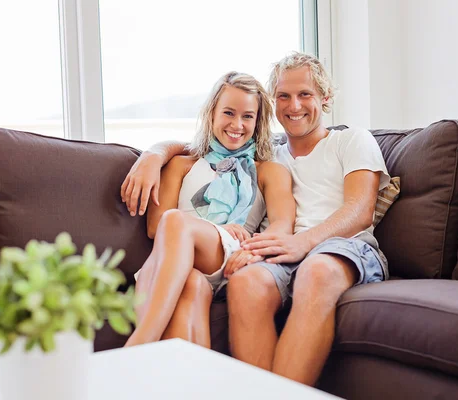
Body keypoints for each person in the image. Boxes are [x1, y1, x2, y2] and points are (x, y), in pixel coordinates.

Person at [121, 53, 390, 386]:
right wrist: (154, 153)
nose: (294, 105)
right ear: (273, 104)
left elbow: (360, 209)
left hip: (339, 247)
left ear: (326, 98)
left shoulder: (351, 140)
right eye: (284, 96)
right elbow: (196, 149)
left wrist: (296, 243)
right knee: (245, 283)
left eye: (305, 94)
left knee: (316, 270)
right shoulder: (267, 154)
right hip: (277, 254)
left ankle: (138, 353)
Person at [124, 71, 295, 348]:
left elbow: (283, 225)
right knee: (190, 285)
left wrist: (251, 250)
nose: (237, 124)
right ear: (211, 113)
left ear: (258, 121)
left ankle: (139, 343)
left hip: (231, 255)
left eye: (247, 116)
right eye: (228, 113)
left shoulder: (269, 171)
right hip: (179, 264)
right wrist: (215, 228)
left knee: (176, 221)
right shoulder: (182, 165)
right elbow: (156, 227)